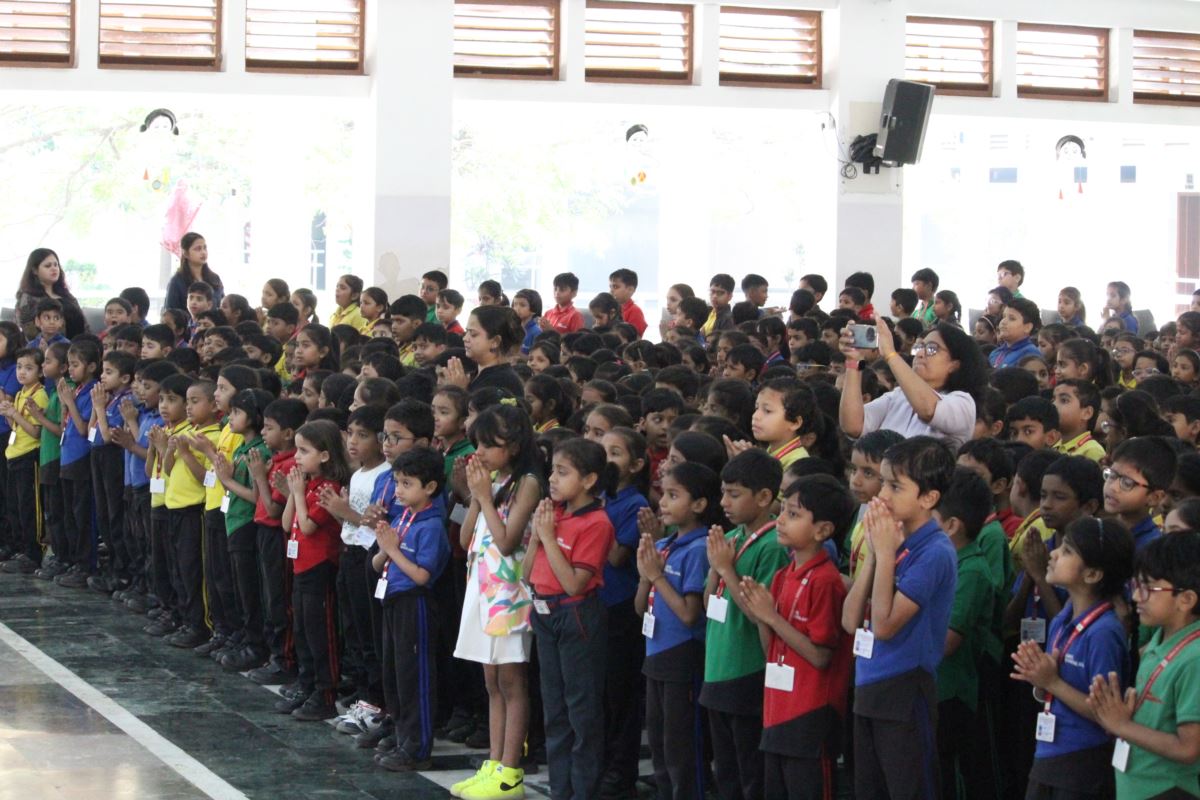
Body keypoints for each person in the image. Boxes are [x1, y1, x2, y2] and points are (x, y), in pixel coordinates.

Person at [841, 435, 957, 799]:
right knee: (870, 790)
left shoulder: (934, 551)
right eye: (883, 483)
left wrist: (886, 554)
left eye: (895, 486)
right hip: (868, 683)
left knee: (908, 789)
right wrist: (876, 556)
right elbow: (850, 621)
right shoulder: (892, 541)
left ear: (928, 498)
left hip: (905, 686)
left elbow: (885, 625)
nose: (882, 496)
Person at [738, 474, 854, 800]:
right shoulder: (782, 576)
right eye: (783, 511)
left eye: (793, 514)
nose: (780, 521)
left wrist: (771, 617)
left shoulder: (825, 580)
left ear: (822, 530)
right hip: (777, 707)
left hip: (812, 712)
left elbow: (821, 655)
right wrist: (761, 618)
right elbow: (771, 650)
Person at [451, 406, 542, 800]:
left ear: (516, 445)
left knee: (511, 680)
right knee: (491, 681)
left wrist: (485, 498)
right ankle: (493, 762)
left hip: (510, 594)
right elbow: (464, 538)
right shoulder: (493, 480)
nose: (481, 452)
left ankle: (510, 771)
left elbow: (507, 542)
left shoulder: (528, 483)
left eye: (490, 445)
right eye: (479, 444)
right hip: (482, 586)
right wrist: (476, 497)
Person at [524, 438, 615, 800]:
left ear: (589, 479)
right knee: (554, 708)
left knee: (581, 709)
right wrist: (537, 537)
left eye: (563, 472)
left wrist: (548, 538)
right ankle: (561, 788)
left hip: (575, 614)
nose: (553, 479)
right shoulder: (553, 513)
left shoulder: (596, 522)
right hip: (544, 612)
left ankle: (583, 790)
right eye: (552, 471)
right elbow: (527, 574)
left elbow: (575, 583)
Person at [701, 450, 789, 800]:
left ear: (764, 497)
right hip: (717, 667)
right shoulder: (733, 538)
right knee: (726, 772)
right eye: (723, 493)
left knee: (751, 770)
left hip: (747, 668)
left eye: (734, 494)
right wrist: (715, 567)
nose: (724, 502)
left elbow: (758, 614)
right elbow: (709, 603)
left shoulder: (773, 545)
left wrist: (726, 569)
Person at [1089, 532, 1200, 799]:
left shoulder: (1194, 657)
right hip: (1137, 787)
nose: (1137, 596)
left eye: (1148, 587)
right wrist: (1120, 714)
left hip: (1168, 790)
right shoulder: (1159, 641)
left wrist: (1122, 725)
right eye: (1135, 585)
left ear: (1186, 599)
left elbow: (1188, 748)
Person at [636, 463, 720, 800]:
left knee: (681, 745)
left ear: (698, 504)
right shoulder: (665, 544)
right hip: (654, 653)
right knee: (659, 742)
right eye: (663, 494)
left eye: (674, 495)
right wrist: (646, 575)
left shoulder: (698, 550)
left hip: (682, 656)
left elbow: (688, 614)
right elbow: (640, 609)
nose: (663, 502)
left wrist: (656, 576)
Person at [371, 446, 451, 770]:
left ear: (429, 487)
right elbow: (378, 564)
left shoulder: (431, 526)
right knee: (393, 673)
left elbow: (422, 576)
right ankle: (401, 735)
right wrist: (383, 548)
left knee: (413, 676)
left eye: (407, 484)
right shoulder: (403, 516)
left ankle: (417, 747)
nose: (399, 491)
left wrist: (392, 549)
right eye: (397, 482)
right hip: (392, 598)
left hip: (414, 603)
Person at [278, 419, 351, 721]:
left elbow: (308, 527)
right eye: (296, 450)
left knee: (321, 633)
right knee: (302, 629)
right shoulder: (307, 485)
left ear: (324, 455)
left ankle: (325, 693)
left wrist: (297, 493)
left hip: (320, 568)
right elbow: (287, 524)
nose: (296, 457)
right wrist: (294, 493)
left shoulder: (329, 488)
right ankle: (307, 683)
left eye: (303, 451)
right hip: (300, 567)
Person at [934, 468, 998, 799]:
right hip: (928, 688)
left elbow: (947, 642)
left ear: (951, 525)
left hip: (951, 694)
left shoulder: (971, 569)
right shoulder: (936, 558)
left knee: (947, 775)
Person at [840, 319, 984, 451]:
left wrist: (890, 353)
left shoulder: (963, 403)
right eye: (919, 347)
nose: (920, 353)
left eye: (932, 349)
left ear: (955, 365)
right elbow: (853, 426)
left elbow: (928, 410)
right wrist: (854, 361)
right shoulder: (898, 396)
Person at [1104, 437, 1175, 552]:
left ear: (1154, 497)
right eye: (1112, 475)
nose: (1113, 487)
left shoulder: (1150, 548)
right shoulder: (1104, 530)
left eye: (1127, 483)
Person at [164, 232, 224, 312]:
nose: (203, 252)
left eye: (205, 248)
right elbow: (170, 311)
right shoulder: (177, 281)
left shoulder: (215, 278)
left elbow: (222, 307)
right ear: (185, 253)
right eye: (198, 249)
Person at [609, 268, 647, 338]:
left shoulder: (635, 311)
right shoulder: (610, 308)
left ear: (630, 289)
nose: (611, 291)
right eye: (610, 287)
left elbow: (636, 338)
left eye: (615, 287)